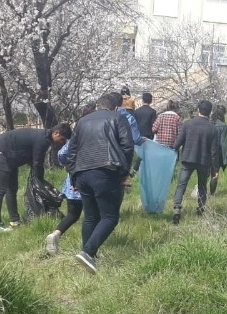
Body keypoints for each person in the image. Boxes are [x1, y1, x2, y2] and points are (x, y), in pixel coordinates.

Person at [68, 93, 134, 273]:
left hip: (82, 173)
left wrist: (73, 176)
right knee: (110, 217)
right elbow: (127, 146)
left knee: (90, 217)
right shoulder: (118, 118)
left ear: (98, 105)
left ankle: (89, 257)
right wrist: (124, 172)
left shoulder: (81, 122)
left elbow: (72, 151)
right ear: (115, 106)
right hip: (106, 171)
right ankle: (88, 252)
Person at [0, 124, 71, 231]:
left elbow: (33, 159)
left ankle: (15, 220)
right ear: (56, 133)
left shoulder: (44, 137)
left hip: (11, 158)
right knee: (0, 190)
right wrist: (39, 182)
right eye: (61, 139)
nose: (62, 143)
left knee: (12, 189)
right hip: (0, 154)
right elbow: (37, 162)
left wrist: (38, 180)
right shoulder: (43, 140)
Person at [45, 104, 95, 255]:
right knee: (92, 217)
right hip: (88, 181)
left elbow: (61, 155)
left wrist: (68, 165)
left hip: (72, 183)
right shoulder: (92, 136)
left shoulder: (75, 137)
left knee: (73, 215)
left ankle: (55, 235)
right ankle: (88, 250)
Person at [171, 100, 221, 224]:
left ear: (198, 110)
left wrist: (172, 153)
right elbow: (214, 152)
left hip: (187, 159)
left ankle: (177, 207)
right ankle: (200, 209)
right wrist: (215, 170)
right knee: (202, 186)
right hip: (204, 161)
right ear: (210, 112)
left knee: (181, 185)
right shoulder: (213, 129)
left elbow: (177, 143)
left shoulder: (187, 124)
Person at [130, 92, 157, 175]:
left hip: (138, 134)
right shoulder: (152, 112)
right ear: (151, 101)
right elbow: (153, 124)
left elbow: (134, 124)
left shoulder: (137, 111)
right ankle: (136, 169)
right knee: (145, 153)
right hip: (148, 135)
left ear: (142, 100)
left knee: (141, 152)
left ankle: (135, 169)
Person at [208, 104, 227, 196]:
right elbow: (224, 143)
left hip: (205, 152)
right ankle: (211, 193)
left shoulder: (208, 123)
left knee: (203, 173)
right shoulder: (223, 126)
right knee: (214, 174)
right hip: (216, 154)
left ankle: (200, 192)